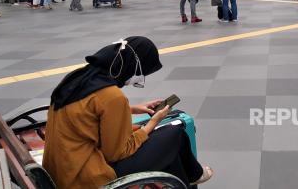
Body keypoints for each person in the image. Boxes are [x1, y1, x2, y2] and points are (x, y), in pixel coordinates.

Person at [43, 36, 213, 188]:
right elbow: (118, 152)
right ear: (133, 66)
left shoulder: (79, 78)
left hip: (63, 168)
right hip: (87, 176)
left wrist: (132, 109)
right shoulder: (113, 96)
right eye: (142, 72)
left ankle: (188, 177)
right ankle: (192, 176)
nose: (140, 77)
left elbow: (87, 112)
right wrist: (153, 123)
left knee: (166, 143)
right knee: (174, 133)